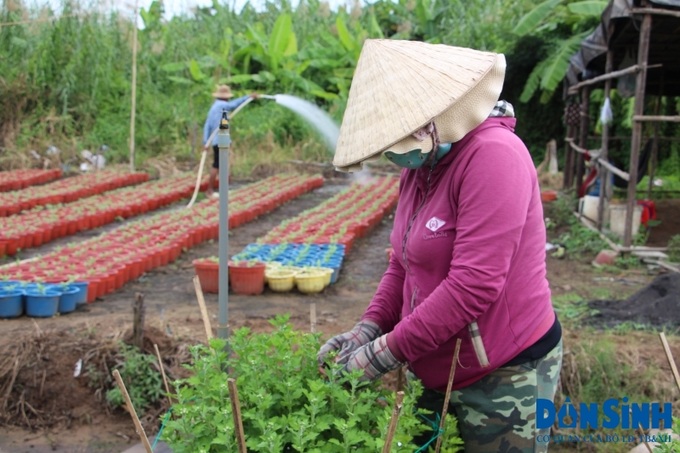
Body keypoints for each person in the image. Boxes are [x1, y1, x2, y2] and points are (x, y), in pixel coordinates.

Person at [318, 39, 563, 452]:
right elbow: (403, 263)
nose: (394, 154)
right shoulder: (422, 167)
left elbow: (473, 285)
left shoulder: (494, 157)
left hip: (503, 375)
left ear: (434, 119)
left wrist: (384, 353)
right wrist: (369, 328)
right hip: (436, 364)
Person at [202, 85, 258, 198]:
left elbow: (207, 125)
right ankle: (210, 191)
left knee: (220, 165)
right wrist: (248, 97)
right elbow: (233, 105)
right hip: (221, 139)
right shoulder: (223, 105)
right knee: (217, 165)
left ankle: (221, 191)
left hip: (218, 140)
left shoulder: (214, 107)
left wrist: (206, 141)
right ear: (226, 97)